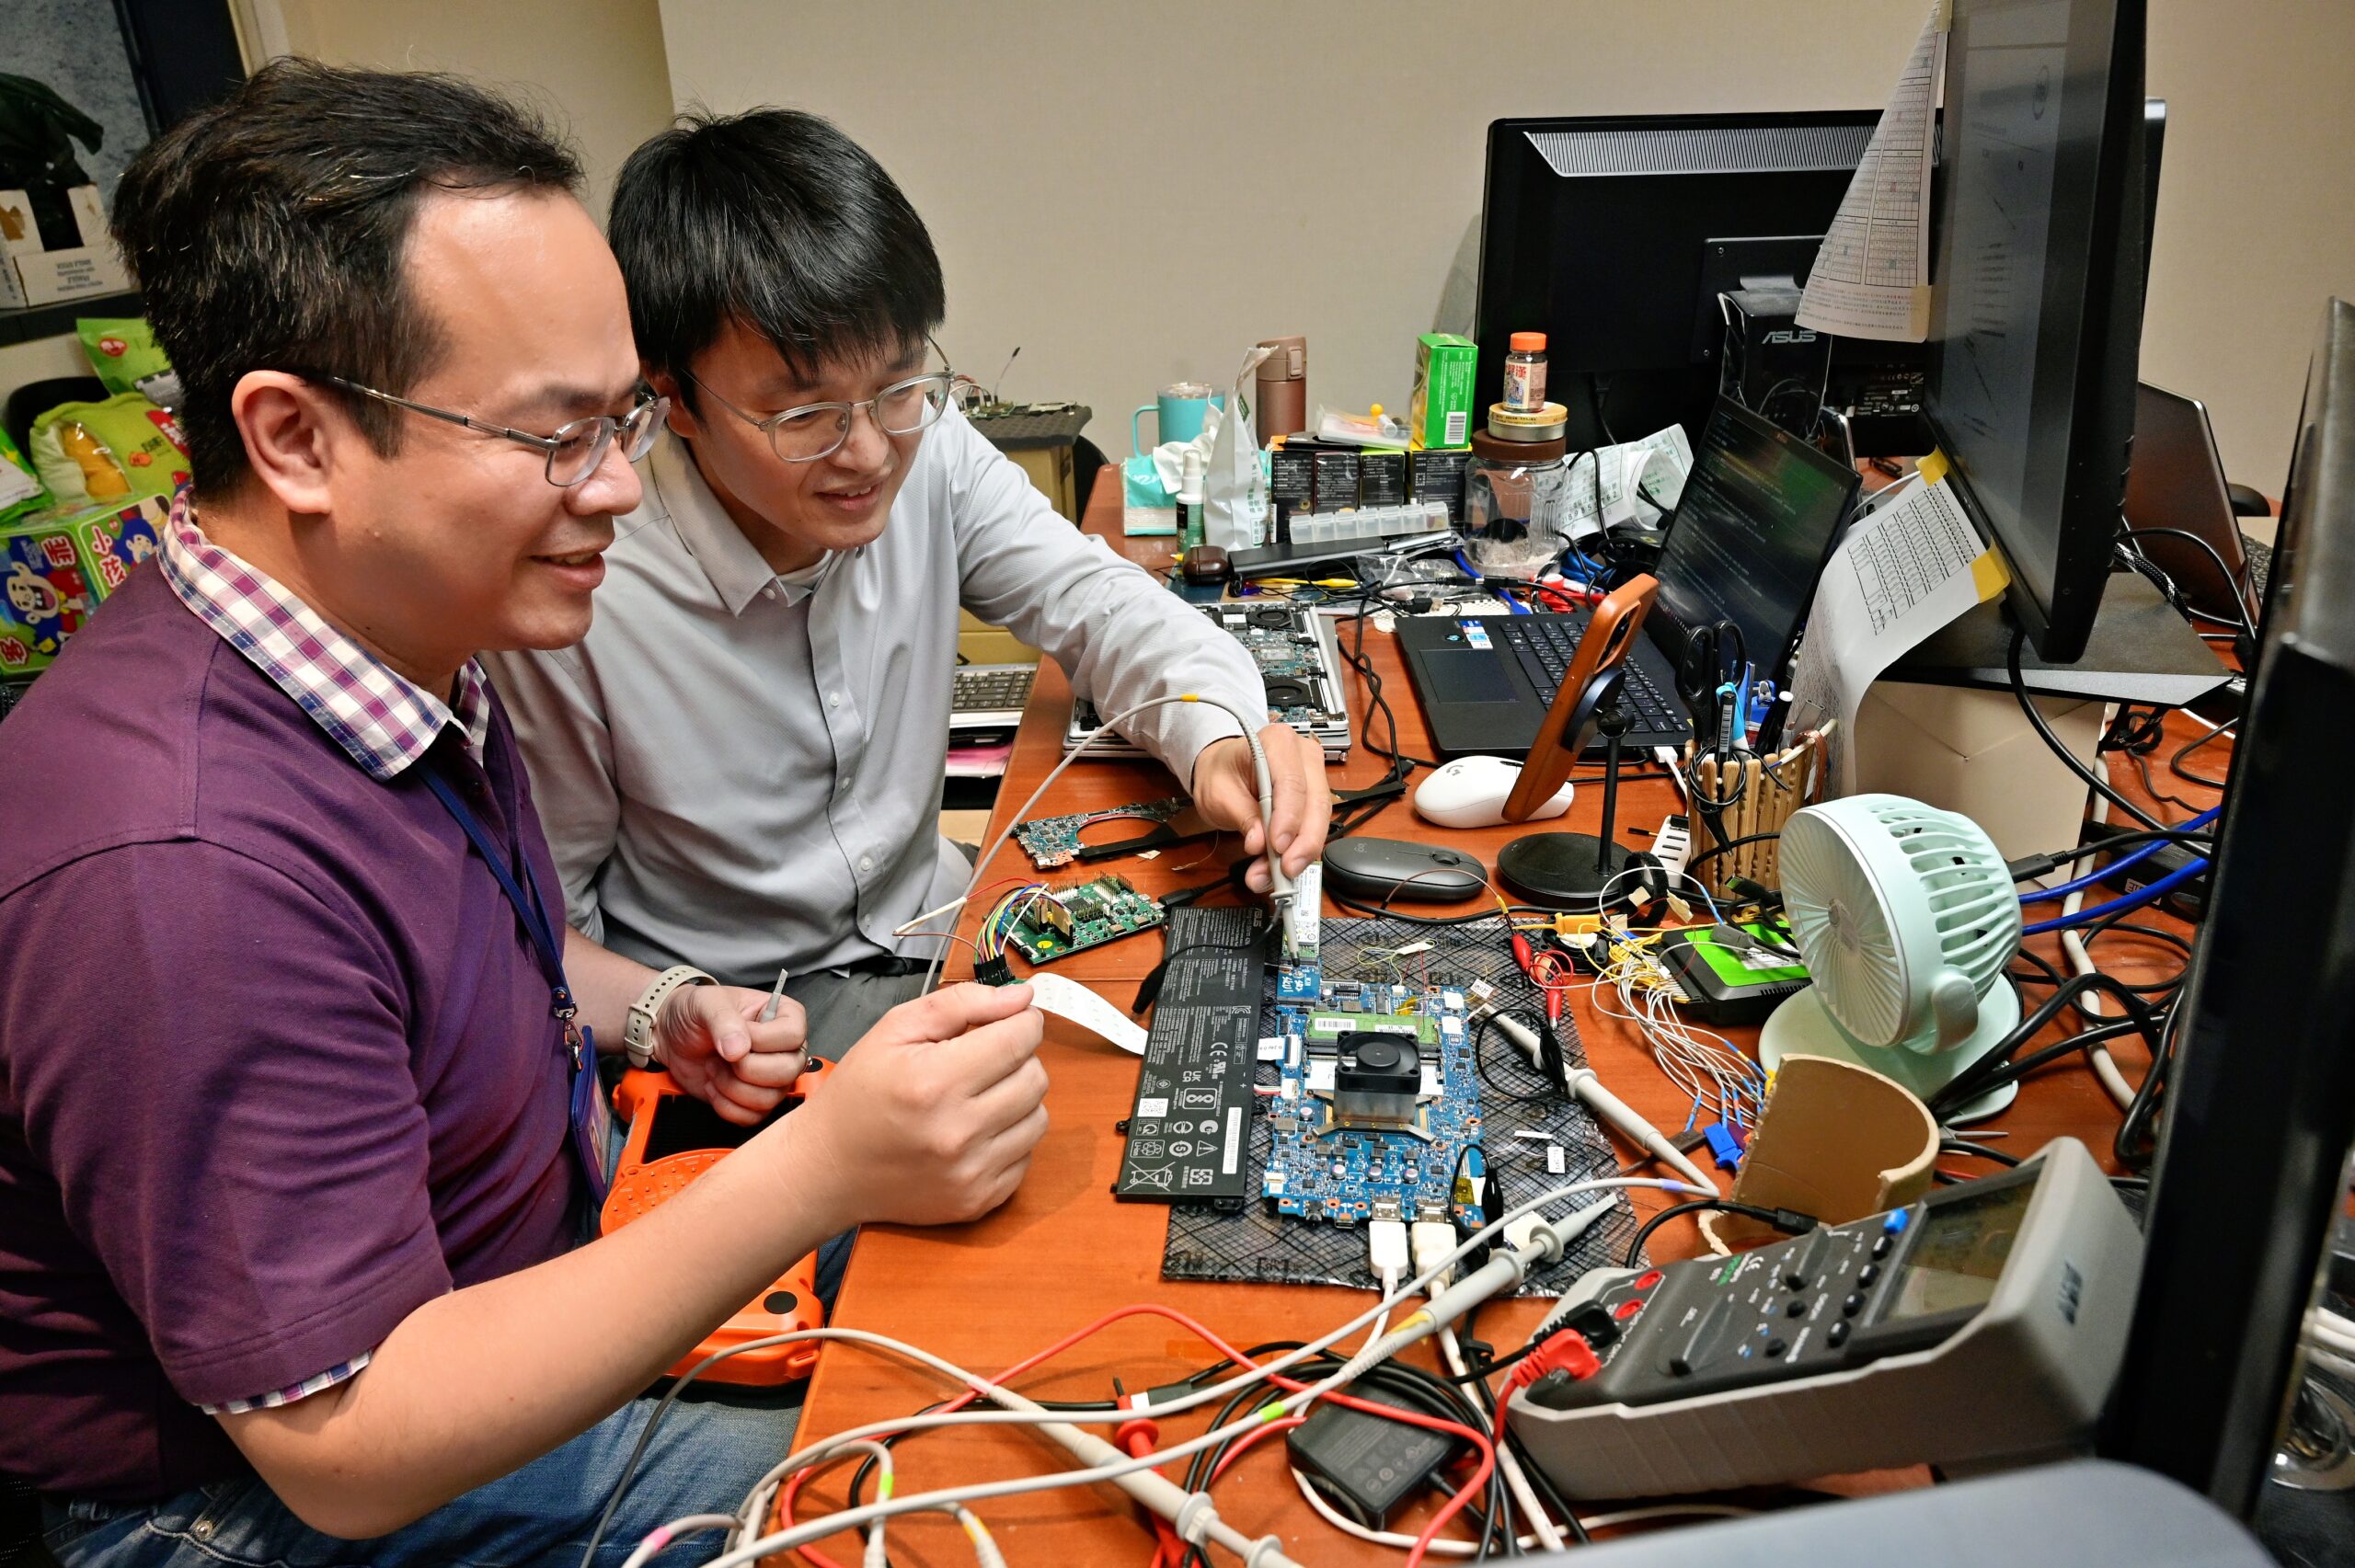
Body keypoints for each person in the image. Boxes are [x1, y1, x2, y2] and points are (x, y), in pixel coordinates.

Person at [0, 61, 1047, 1567]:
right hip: (271, 1496)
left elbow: (432, 986)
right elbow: (352, 1445)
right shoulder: (178, 868)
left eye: (623, 420)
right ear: (296, 438)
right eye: (559, 436)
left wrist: (651, 1012)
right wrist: (815, 1172)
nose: (622, 487)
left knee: (1035, 1267)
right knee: (960, 1487)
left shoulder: (400, 641)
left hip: (518, 1283)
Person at [486, 109, 1333, 1055]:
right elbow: (546, 930)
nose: (866, 452)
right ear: (673, 398)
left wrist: (1217, 737)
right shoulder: (586, 587)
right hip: (746, 1021)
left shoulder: (926, 448)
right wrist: (667, 1018)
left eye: (896, 386)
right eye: (803, 412)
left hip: (932, 928)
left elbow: (1100, 605)